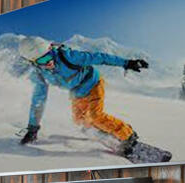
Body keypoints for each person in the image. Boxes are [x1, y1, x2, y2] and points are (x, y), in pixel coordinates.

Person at [18, 40, 169, 163]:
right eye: (42, 60)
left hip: (93, 84)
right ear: (34, 62)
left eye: (49, 56)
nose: (49, 62)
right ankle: (102, 131)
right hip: (77, 92)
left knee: (96, 115)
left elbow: (100, 57)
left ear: (50, 49)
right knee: (80, 121)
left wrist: (127, 63)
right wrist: (33, 128)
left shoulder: (68, 56)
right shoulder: (40, 74)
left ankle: (128, 136)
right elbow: (38, 100)